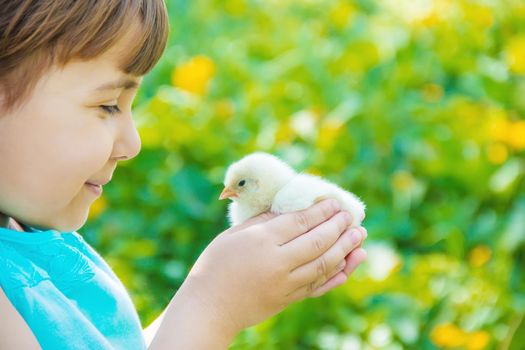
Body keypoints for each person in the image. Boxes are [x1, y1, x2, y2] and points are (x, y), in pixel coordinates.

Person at [0, 1, 368, 349]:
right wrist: (212, 307)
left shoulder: (40, 245)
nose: (132, 143)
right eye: (107, 105)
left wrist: (227, 287)